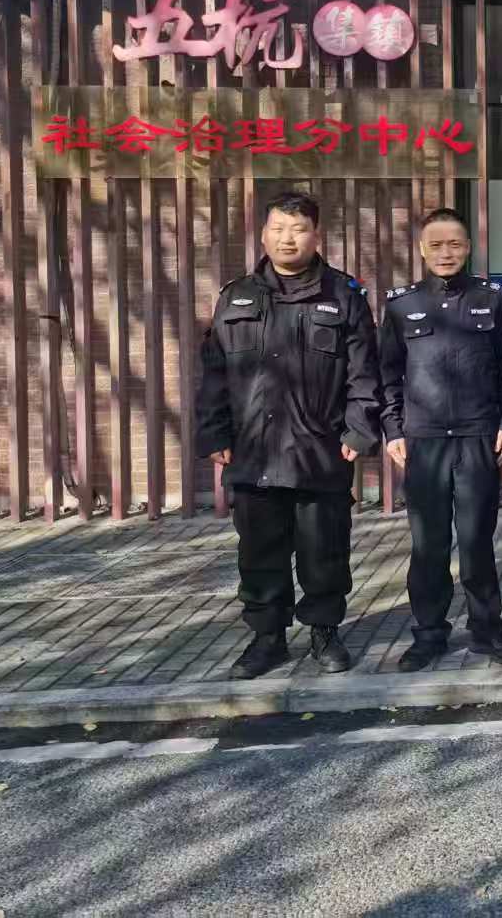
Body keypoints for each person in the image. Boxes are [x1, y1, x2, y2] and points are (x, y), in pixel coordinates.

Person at [196, 189, 381, 680]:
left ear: (316, 236)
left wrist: (359, 431)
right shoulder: (236, 296)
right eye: (278, 229)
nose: (287, 239)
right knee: (259, 552)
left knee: (324, 549)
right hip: (253, 451)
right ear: (263, 235)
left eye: (298, 230)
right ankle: (267, 638)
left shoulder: (343, 296)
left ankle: (324, 631)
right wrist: (214, 432)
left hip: (320, 450)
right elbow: (213, 373)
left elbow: (364, 374)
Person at [380, 207, 502, 673]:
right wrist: (393, 429)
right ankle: (429, 634)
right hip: (423, 441)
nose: (446, 253)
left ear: (469, 248)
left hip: (477, 437)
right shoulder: (400, 305)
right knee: (428, 545)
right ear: (422, 250)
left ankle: (487, 630)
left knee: (477, 540)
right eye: (436, 245)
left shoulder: (493, 301)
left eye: (455, 244)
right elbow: (387, 374)